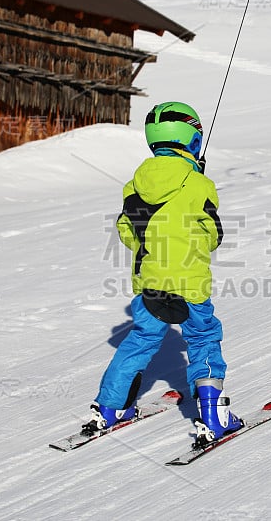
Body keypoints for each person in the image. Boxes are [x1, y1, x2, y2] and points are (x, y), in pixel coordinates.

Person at [85, 101, 242, 444]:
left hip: (149, 282)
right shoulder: (199, 185)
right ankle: (214, 416)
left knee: (141, 338)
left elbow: (127, 233)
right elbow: (213, 235)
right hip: (189, 282)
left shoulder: (134, 186)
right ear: (192, 141)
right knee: (202, 338)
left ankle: (111, 408)